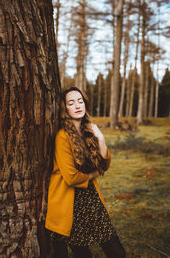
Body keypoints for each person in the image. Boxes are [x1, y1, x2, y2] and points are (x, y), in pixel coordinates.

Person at [45, 86, 126, 258]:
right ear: (64, 108)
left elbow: (104, 164)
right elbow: (71, 177)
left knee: (116, 251)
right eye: (71, 103)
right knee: (82, 254)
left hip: (91, 198)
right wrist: (93, 175)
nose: (77, 105)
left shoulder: (88, 131)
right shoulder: (62, 137)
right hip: (70, 202)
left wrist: (100, 137)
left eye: (80, 101)